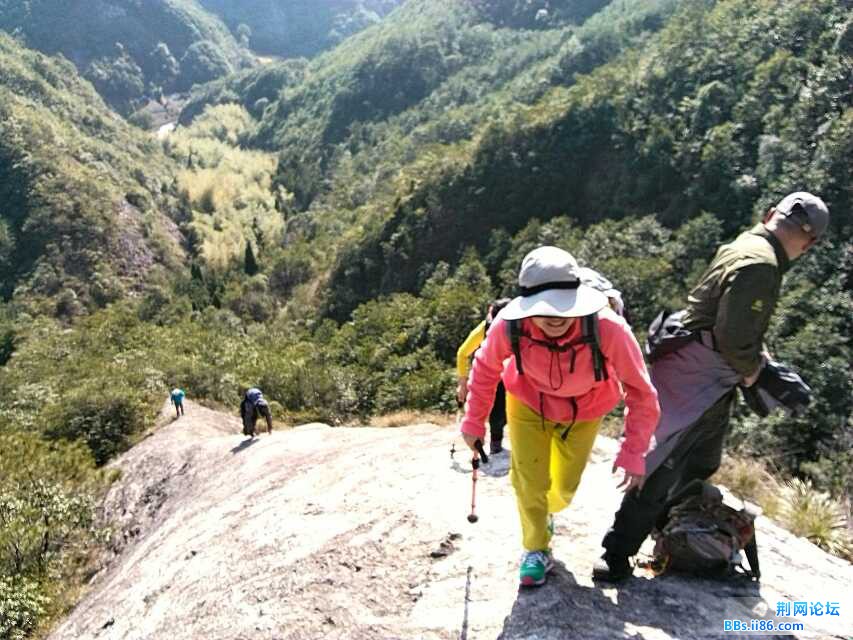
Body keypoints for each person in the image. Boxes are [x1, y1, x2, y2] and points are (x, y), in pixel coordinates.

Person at [594, 191, 830, 582]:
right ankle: (616, 555)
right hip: (700, 375)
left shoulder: (746, 243)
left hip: (701, 369)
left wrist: (759, 365)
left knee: (703, 459)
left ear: (771, 214)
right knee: (664, 462)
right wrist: (759, 373)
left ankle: (671, 531)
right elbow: (733, 335)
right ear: (810, 243)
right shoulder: (763, 265)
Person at [460, 246, 660, 587]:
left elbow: (641, 391)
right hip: (527, 403)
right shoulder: (510, 326)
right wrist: (474, 421)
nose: (554, 317)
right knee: (529, 481)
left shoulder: (608, 329)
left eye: (562, 307)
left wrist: (634, 450)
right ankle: (535, 548)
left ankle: (546, 513)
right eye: (544, 308)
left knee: (563, 489)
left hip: (584, 411)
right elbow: (485, 367)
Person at [457, 299, 511, 455]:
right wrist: (462, 381)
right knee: (498, 411)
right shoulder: (485, 328)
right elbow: (463, 353)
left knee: (503, 412)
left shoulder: (520, 327)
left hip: (508, 374)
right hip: (488, 373)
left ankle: (495, 441)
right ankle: (495, 443)